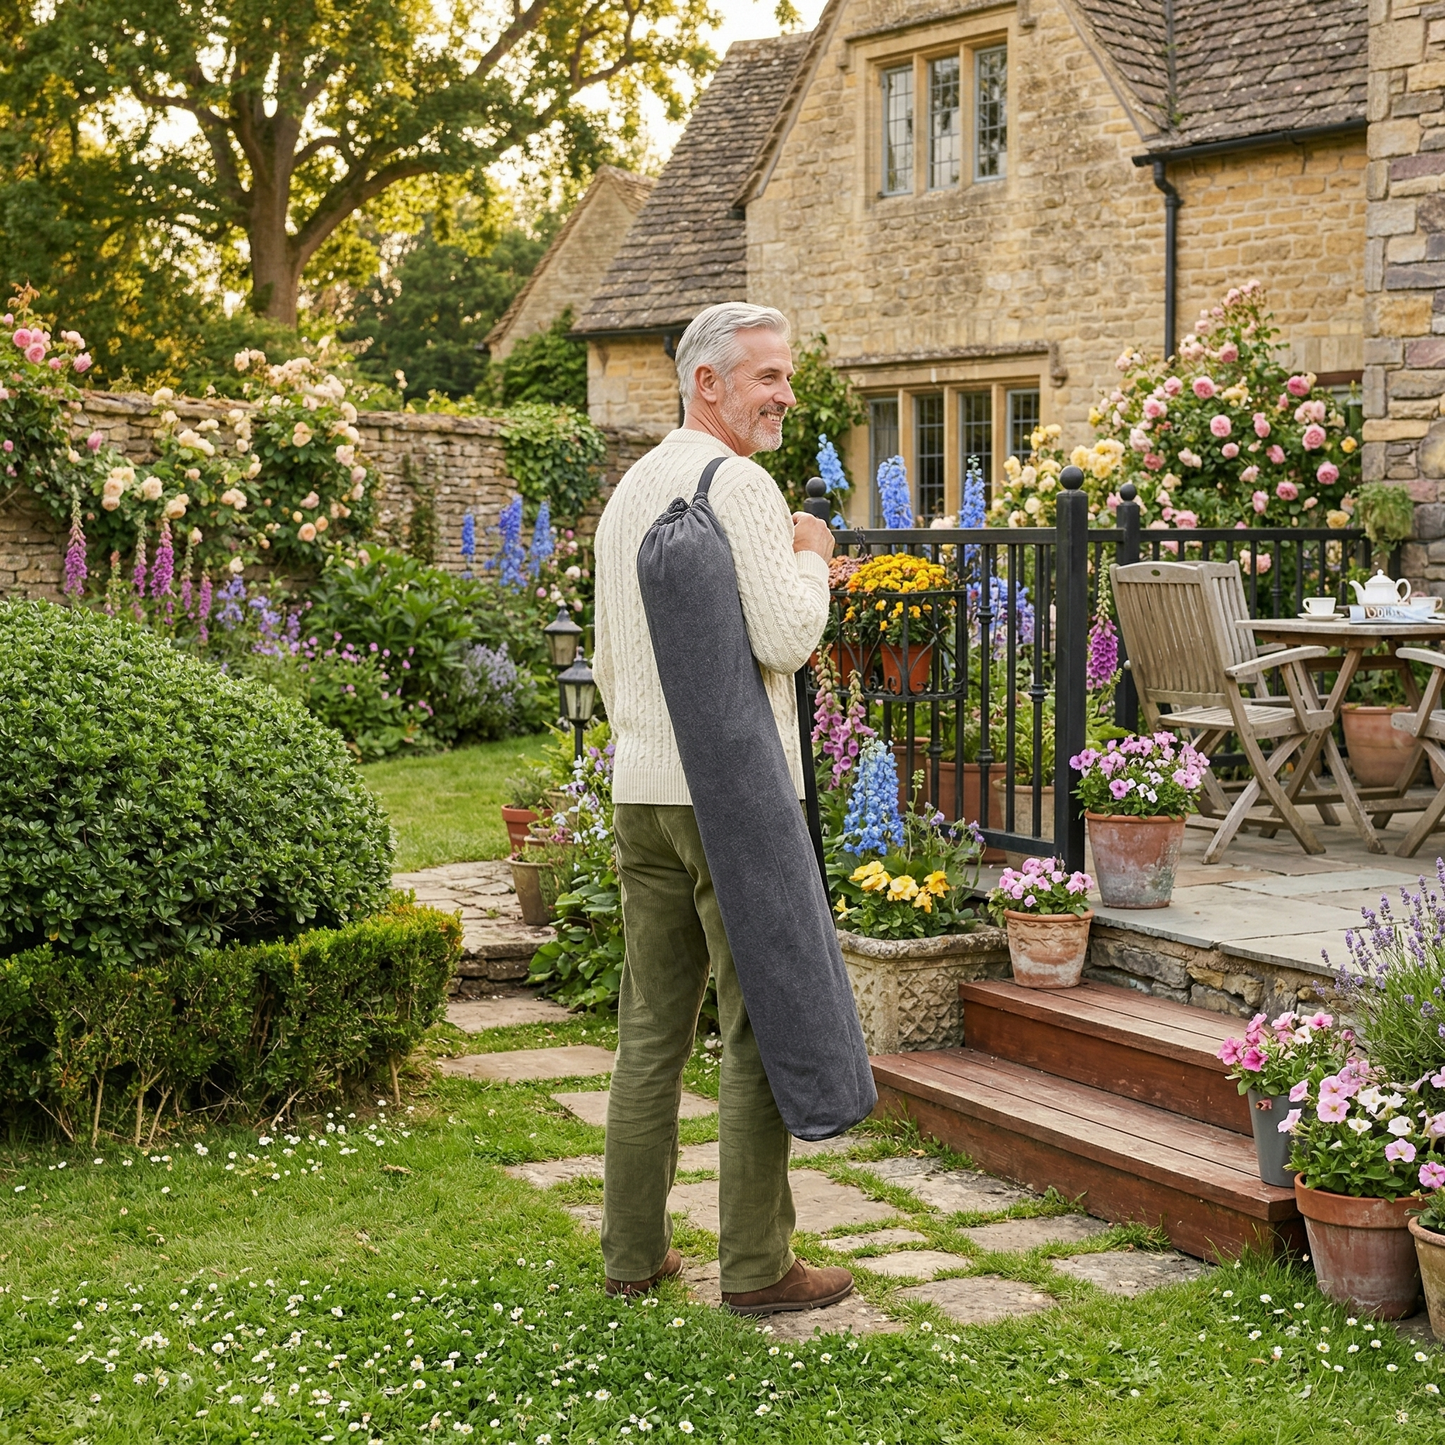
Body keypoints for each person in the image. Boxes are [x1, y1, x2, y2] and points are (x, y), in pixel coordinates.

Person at [591, 302, 852, 1315]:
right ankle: (754, 1265)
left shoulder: (630, 492)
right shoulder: (738, 485)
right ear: (707, 382)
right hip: (731, 798)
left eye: (785, 375)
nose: (784, 394)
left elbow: (615, 660)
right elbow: (786, 636)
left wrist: (648, 745)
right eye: (767, 377)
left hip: (641, 791)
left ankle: (631, 1249)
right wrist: (809, 550)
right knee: (755, 1023)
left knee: (650, 1025)